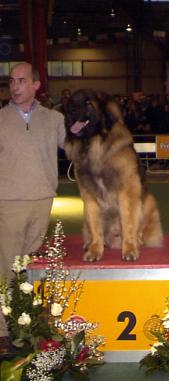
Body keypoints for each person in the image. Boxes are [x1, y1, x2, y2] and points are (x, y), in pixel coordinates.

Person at [0, 62, 66, 349]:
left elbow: (74, 149)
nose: (15, 86)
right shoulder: (0, 118)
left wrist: (83, 132)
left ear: (36, 85)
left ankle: (27, 325)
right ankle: (3, 331)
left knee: (30, 269)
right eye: (12, 81)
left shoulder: (54, 119)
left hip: (42, 201)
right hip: (8, 202)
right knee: (6, 269)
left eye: (21, 81)